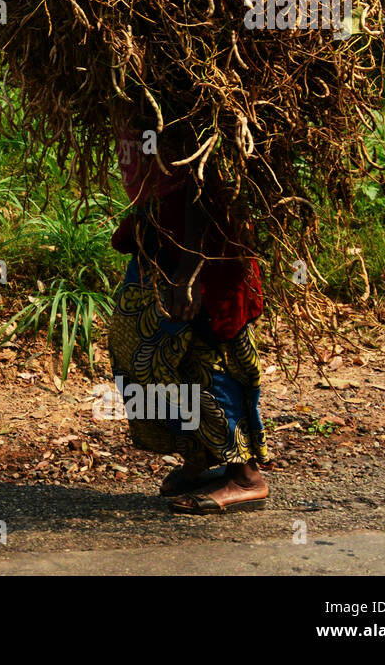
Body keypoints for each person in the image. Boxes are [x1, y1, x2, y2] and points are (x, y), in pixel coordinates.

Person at [106, 117, 270, 515]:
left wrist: (191, 269)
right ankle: (202, 453)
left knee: (208, 354)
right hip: (157, 230)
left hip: (199, 243)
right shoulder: (122, 93)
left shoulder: (172, 101)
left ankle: (244, 475)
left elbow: (203, 177)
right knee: (142, 350)